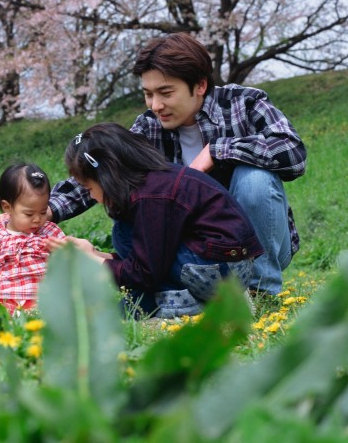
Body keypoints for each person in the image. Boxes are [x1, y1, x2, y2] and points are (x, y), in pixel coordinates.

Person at [49, 32, 306, 295]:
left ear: (200, 85)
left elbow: (293, 152)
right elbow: (102, 170)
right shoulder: (149, 127)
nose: (156, 105)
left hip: (258, 245)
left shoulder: (245, 103)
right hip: (198, 255)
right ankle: (184, 297)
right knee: (126, 224)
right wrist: (42, 211)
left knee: (255, 179)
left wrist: (217, 151)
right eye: (148, 94)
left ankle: (261, 291)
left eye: (166, 92)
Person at [58, 123, 263, 317]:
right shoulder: (155, 180)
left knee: (129, 249)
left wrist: (94, 261)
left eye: (89, 189)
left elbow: (144, 273)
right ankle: (212, 300)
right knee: (123, 232)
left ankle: (186, 305)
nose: (92, 196)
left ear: (107, 176)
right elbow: (148, 258)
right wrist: (95, 254)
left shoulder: (150, 198)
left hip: (220, 272)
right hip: (227, 265)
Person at [0, 163, 65, 313]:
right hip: (5, 295)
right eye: (29, 214)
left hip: (42, 295)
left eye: (42, 212)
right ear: (7, 207)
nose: (37, 219)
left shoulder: (49, 232)